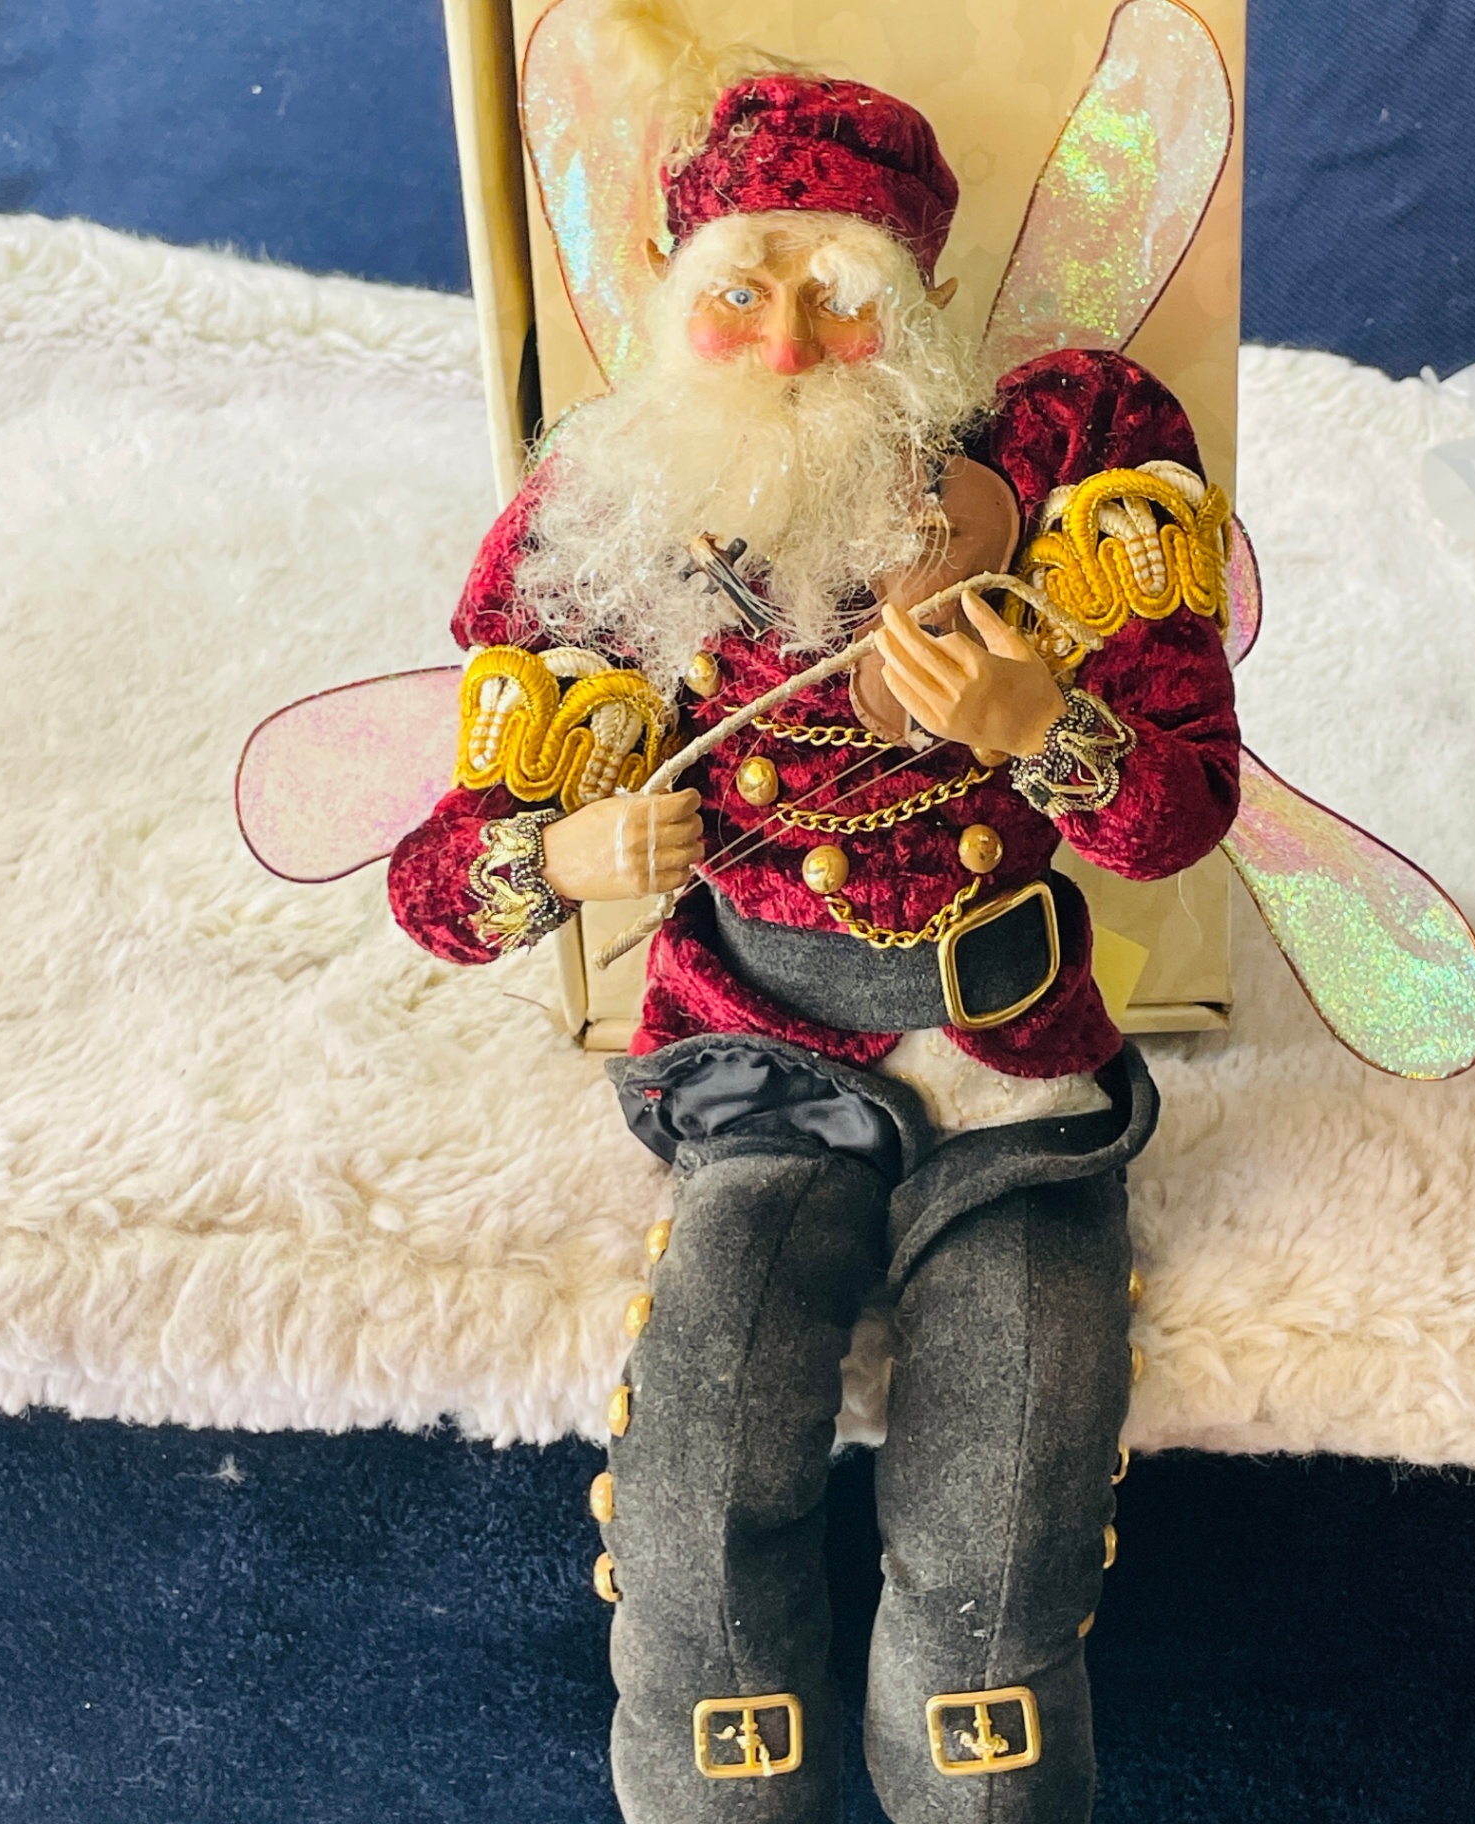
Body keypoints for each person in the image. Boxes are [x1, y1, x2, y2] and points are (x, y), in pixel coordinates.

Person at [387, 52, 1239, 1824]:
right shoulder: (610, 521)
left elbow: (1177, 816)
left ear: (923, 303)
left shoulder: (1066, 487)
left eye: (840, 300)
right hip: (758, 1063)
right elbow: (436, 883)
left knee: (1009, 1515)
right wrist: (567, 851)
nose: (784, 345)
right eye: (740, 296)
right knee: (696, 1482)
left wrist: (1042, 727)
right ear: (667, 289)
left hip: (1013, 1078)